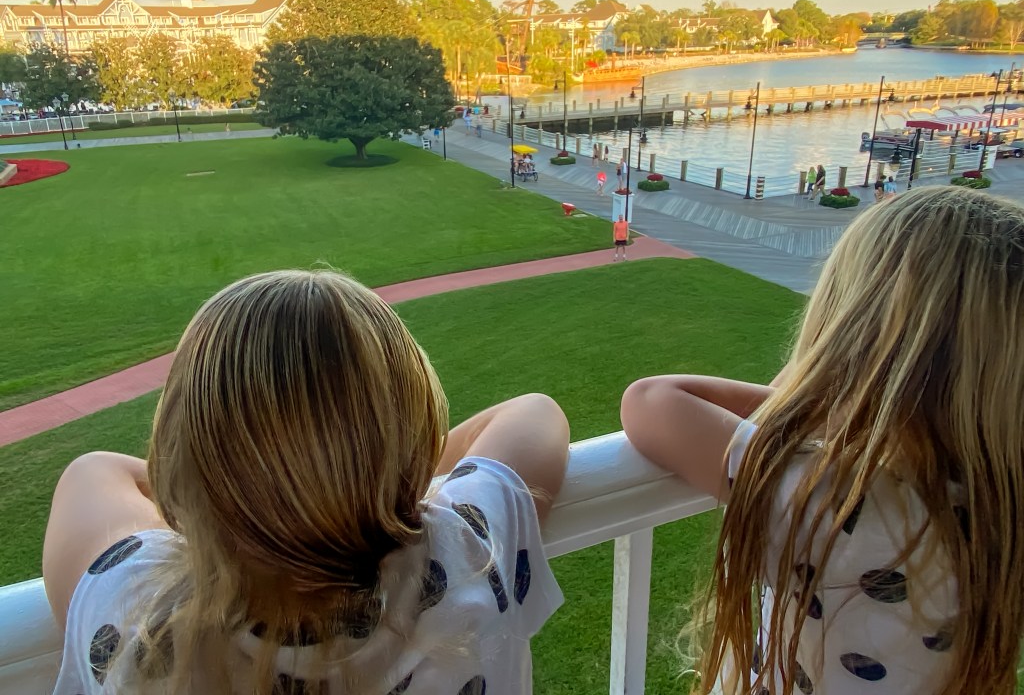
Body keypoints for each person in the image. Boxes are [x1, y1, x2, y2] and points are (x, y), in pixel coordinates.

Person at [44, 270, 570, 695]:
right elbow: (535, 416)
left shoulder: (138, 620)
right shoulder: (466, 555)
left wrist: (221, 491)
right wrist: (381, 482)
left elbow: (94, 472)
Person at [621, 187, 1024, 695]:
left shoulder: (831, 504)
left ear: (853, 344)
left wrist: (819, 382)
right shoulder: (1002, 514)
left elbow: (649, 402)